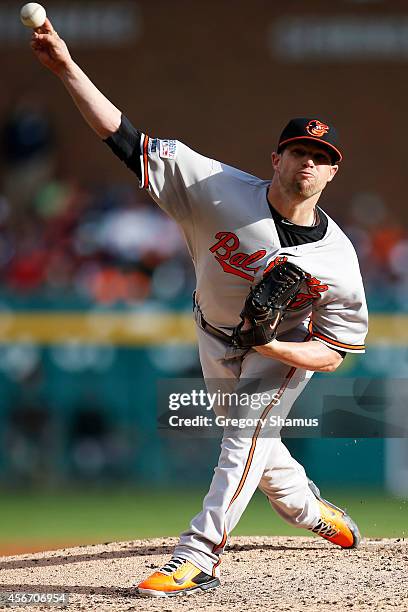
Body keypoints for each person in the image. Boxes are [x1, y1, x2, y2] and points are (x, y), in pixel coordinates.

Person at [30, 20, 368, 598]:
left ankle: (198, 556)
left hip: (278, 351)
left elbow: (333, 353)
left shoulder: (339, 260)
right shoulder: (213, 186)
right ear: (277, 156)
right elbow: (124, 139)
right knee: (255, 450)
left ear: (333, 171)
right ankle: (306, 508)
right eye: (298, 151)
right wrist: (65, 67)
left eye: (320, 155)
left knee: (242, 436)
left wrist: (273, 346)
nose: (307, 163)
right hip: (212, 332)